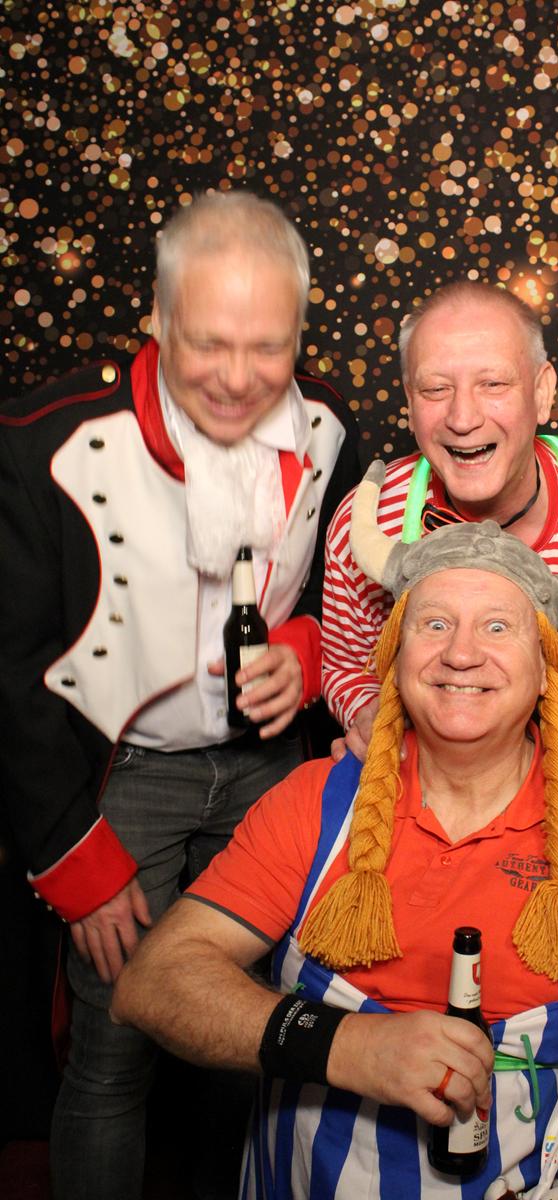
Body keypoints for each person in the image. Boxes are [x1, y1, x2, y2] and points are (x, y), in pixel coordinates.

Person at [112, 485, 558, 1200]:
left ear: (547, 668)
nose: (461, 654)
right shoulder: (315, 804)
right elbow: (154, 982)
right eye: (435, 624)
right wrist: (349, 1046)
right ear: (394, 655)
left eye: (498, 628)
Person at [0, 190, 361, 1200]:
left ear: (300, 331)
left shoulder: (332, 425)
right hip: (122, 781)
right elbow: (11, 670)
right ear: (157, 318)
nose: (239, 379)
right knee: (112, 1054)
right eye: (209, 344)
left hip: (269, 775)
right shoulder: (44, 440)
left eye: (268, 347)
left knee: (257, 1035)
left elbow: (345, 590)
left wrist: (303, 651)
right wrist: (71, 855)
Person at [322, 281, 558, 761]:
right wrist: (366, 710)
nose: (462, 418)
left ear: (542, 393)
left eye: (494, 384)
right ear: (409, 403)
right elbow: (342, 665)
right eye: (435, 389)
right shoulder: (367, 518)